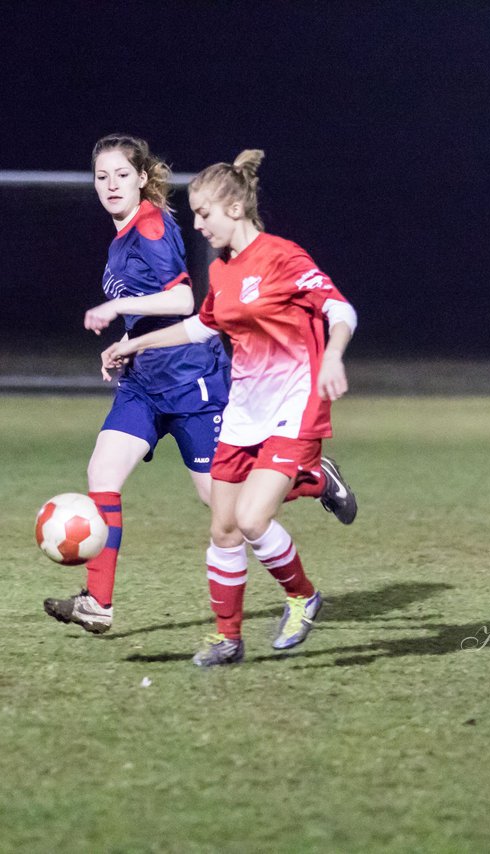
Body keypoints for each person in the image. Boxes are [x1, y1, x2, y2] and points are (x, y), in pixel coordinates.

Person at [101, 149, 359, 667]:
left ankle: (303, 597)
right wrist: (133, 344)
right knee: (222, 526)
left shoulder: (282, 257)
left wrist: (332, 355)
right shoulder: (221, 272)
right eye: (194, 214)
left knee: (251, 516)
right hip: (244, 407)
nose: (197, 226)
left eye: (204, 214)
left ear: (235, 209)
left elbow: (339, 308)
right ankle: (227, 639)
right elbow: (202, 325)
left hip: (295, 403)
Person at [42, 134, 231, 635]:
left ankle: (312, 477)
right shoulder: (123, 234)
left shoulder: (149, 226)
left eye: (121, 175)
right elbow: (147, 308)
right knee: (103, 470)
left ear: (142, 178)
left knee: (223, 502)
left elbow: (182, 302)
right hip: (145, 384)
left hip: (192, 382)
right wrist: (124, 344)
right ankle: (98, 604)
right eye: (101, 177)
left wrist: (116, 309)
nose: (110, 185)